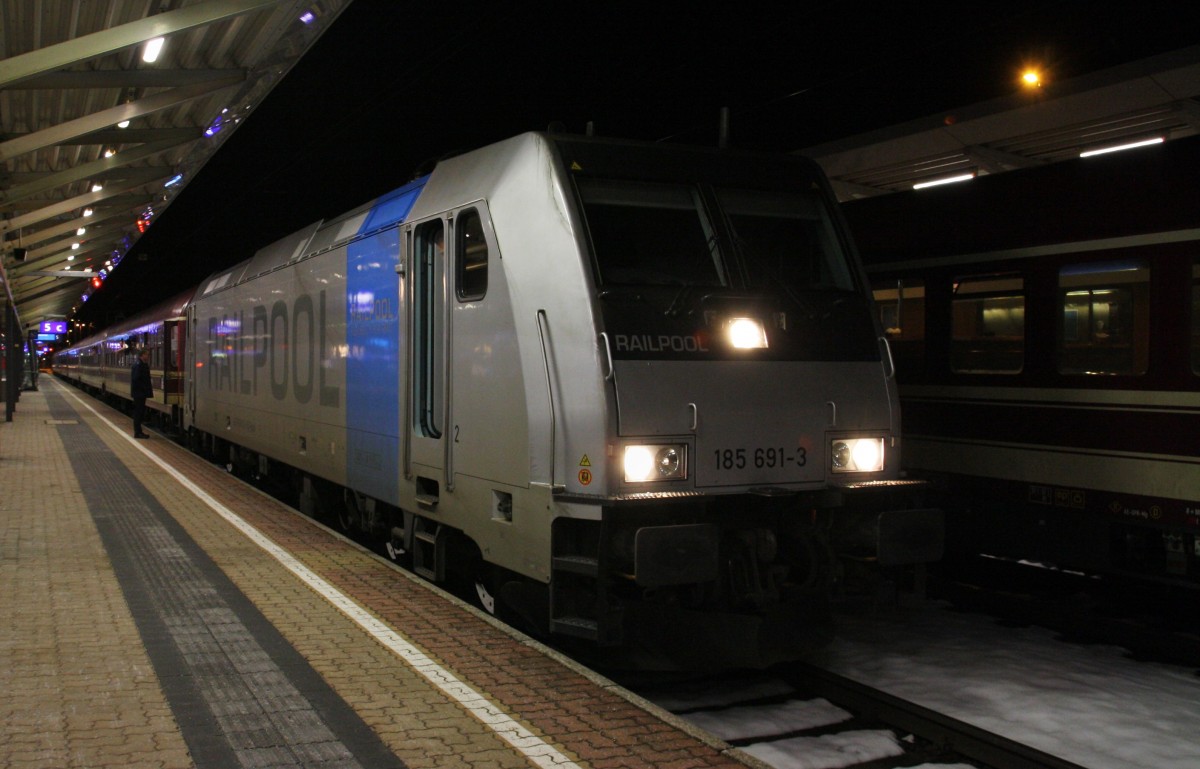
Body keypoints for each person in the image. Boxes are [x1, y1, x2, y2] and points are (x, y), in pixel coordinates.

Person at [131, 347, 152, 439]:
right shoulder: (139, 365)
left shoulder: (140, 364)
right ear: (142, 355)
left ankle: (139, 432)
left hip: (139, 393)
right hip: (139, 393)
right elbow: (136, 379)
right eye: (147, 354)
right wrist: (143, 388)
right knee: (138, 413)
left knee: (139, 412)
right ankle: (138, 432)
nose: (148, 356)